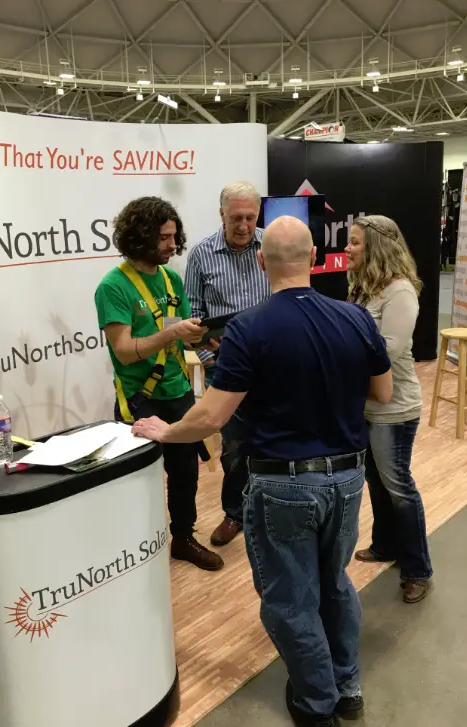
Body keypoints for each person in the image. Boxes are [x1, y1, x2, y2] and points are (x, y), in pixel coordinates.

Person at [133, 216, 393, 726]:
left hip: (284, 484)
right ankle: (347, 685)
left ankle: (316, 701)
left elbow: (212, 416)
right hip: (346, 478)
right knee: (335, 583)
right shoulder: (356, 318)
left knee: (291, 598)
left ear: (260, 261)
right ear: (315, 257)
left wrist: (165, 432)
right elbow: (381, 393)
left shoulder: (250, 328)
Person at [94, 196, 223, 572]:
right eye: (164, 238)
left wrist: (202, 337)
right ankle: (136, 550)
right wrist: (174, 335)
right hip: (140, 398)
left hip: (178, 390)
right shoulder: (113, 287)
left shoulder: (171, 278)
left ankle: (182, 538)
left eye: (173, 237)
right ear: (140, 237)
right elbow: (124, 351)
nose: (172, 245)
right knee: (141, 479)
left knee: (186, 474)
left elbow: (177, 333)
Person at [345, 215, 433, 604]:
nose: (347, 249)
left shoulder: (400, 292)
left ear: (376, 249)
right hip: (366, 405)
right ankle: (385, 545)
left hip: (395, 409)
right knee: (376, 482)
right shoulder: (364, 288)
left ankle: (417, 569)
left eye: (354, 243)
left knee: (398, 488)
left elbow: (389, 348)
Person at [185, 181, 271, 547]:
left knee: (276, 440)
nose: (244, 225)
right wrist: (209, 351)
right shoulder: (202, 255)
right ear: (221, 215)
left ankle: (273, 513)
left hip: (274, 364)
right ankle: (235, 514)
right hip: (228, 367)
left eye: (251, 217)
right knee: (235, 448)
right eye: (236, 217)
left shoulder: (273, 245)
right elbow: (192, 317)